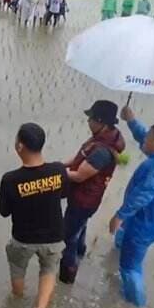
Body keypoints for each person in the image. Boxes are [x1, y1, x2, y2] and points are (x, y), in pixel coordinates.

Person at [109, 106, 154, 308]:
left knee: (129, 267)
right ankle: (118, 246)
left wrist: (119, 215)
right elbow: (144, 137)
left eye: (149, 139)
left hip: (147, 223)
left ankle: (136, 304)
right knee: (123, 236)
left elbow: (143, 195)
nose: (144, 142)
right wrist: (131, 121)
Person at [0, 123, 68, 308]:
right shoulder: (59, 170)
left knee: (18, 268)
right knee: (48, 270)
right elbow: (63, 194)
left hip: (23, 239)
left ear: (20, 146)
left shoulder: (10, 179)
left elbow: (4, 212)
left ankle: (17, 302)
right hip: (54, 237)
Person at [59, 100, 126, 284]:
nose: (88, 122)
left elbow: (80, 176)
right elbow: (81, 155)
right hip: (88, 199)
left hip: (83, 200)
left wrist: (56, 172)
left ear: (101, 122)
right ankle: (80, 251)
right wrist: (61, 164)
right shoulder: (104, 138)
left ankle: (67, 274)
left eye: (90, 119)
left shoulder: (102, 152)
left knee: (69, 236)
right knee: (80, 226)